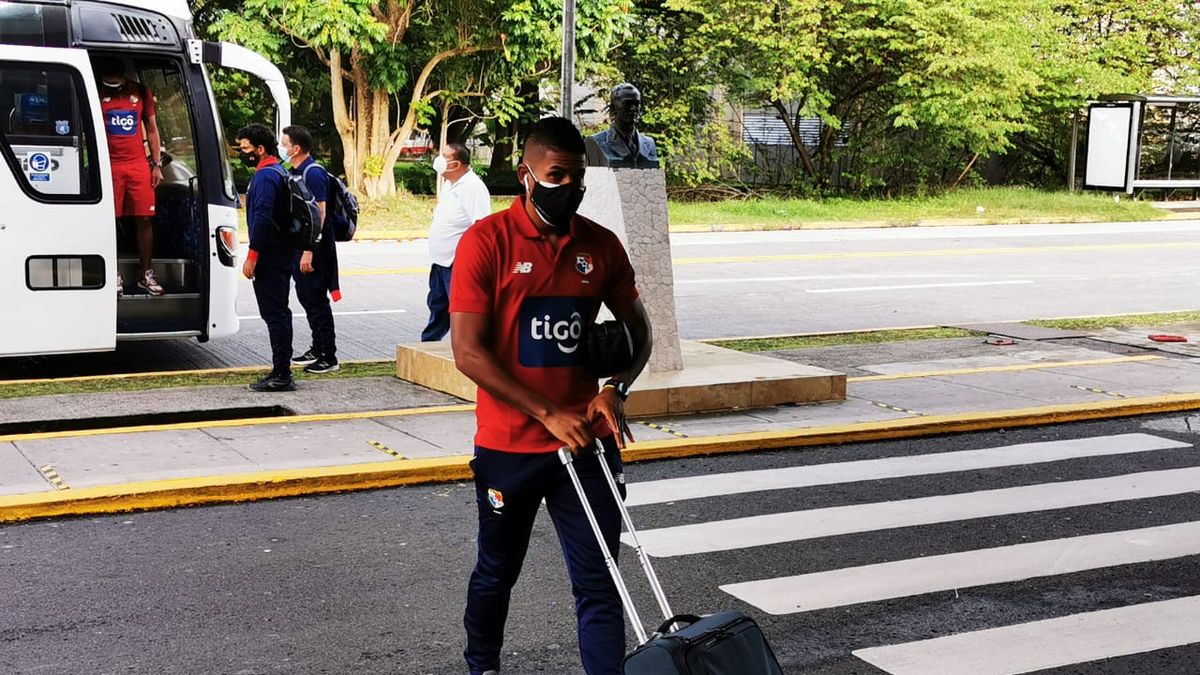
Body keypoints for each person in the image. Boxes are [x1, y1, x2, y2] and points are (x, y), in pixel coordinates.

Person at [451, 117, 653, 675]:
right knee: (496, 573)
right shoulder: (485, 243)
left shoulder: (601, 246)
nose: (570, 187)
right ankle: (482, 667)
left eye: (577, 176)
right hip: (509, 448)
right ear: (526, 176)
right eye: (557, 175)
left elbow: (642, 331)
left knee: (600, 581)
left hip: (585, 448)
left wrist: (616, 389)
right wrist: (546, 412)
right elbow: (467, 353)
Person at [95, 56, 165, 295]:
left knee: (144, 218)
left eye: (115, 80)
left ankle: (145, 274)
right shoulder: (95, 90)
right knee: (109, 220)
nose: (112, 84)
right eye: (108, 81)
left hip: (137, 164)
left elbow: (153, 129)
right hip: (110, 164)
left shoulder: (141, 92)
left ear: (123, 76)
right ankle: (113, 272)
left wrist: (156, 164)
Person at [237, 123, 297, 393]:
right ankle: (281, 369)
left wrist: (252, 256)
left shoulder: (265, 177)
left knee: (275, 314)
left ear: (260, 149)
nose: (242, 153)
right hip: (282, 253)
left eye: (246, 149)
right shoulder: (279, 171)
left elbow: (261, 219)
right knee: (280, 313)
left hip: (270, 256)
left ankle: (282, 374)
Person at [281, 125, 341, 374]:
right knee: (307, 297)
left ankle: (329, 356)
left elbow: (320, 214)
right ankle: (317, 348)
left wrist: (309, 250)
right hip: (302, 246)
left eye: (284, 144)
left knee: (316, 299)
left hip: (314, 248)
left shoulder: (313, 173)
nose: (282, 148)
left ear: (296, 148)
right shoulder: (296, 170)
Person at [423, 142, 491, 342]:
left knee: (460, 309)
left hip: (456, 262)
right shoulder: (449, 184)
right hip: (440, 260)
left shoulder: (472, 188)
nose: (439, 159)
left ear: (457, 164)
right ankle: (428, 346)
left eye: (445, 156)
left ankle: (469, 347)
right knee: (437, 306)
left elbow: (481, 226)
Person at [585, 83, 660, 169]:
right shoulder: (595, 143)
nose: (633, 109)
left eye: (636, 104)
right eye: (627, 104)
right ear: (613, 109)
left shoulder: (649, 144)